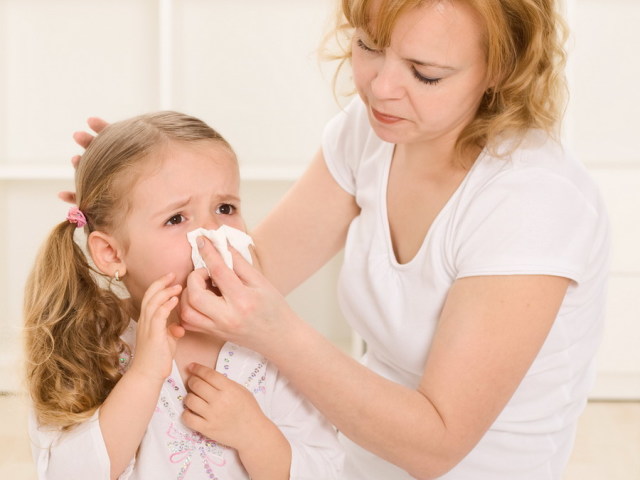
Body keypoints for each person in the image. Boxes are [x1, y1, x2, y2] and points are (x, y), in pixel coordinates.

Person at [71, 1, 610, 478]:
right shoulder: (375, 130)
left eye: (425, 74)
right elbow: (239, 275)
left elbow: (436, 450)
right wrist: (138, 198)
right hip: (351, 453)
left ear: (500, 69)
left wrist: (275, 331)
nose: (380, 87)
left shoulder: (532, 200)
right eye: (369, 46)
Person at [24, 111, 343, 480]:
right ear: (111, 253)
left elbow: (327, 468)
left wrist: (256, 436)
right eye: (177, 218)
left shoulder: (269, 346)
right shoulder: (86, 347)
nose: (211, 233)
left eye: (225, 208)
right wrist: (143, 375)